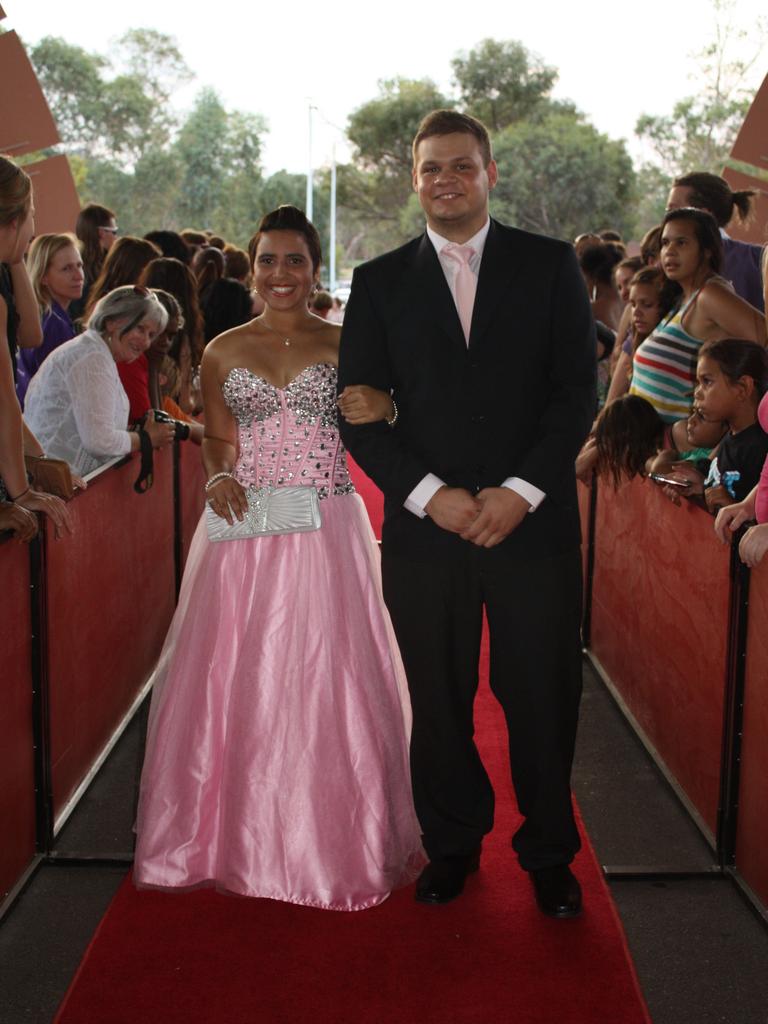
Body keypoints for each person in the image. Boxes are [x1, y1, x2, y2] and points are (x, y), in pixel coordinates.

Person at [338, 110, 596, 918]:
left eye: (460, 166)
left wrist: (518, 493)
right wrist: (430, 496)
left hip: (534, 529)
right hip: (427, 534)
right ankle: (451, 847)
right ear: (413, 179)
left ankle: (550, 855)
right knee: (438, 699)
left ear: (489, 171)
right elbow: (358, 411)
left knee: (543, 698)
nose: (444, 180)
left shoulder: (551, 265)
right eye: (429, 169)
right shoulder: (379, 282)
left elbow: (574, 396)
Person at [134, 205, 422, 910]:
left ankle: (331, 839)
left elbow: (395, 413)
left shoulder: (350, 341)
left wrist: (383, 406)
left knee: (329, 669)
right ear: (252, 265)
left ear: (315, 268)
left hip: (326, 521)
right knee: (234, 671)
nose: (280, 273)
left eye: (294, 260)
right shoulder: (224, 349)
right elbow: (218, 437)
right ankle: (223, 833)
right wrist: (220, 473)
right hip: (248, 525)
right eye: (268, 260)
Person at [630, 208, 766, 424]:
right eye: (665, 243)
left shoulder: (709, 295)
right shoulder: (682, 298)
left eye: (681, 243)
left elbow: (763, 338)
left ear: (707, 250)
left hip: (677, 446)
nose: (670, 252)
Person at [24, 286, 175, 476]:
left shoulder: (95, 351)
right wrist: (146, 438)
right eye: (140, 328)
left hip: (58, 480)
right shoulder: (92, 358)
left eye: (151, 335)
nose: (145, 342)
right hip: (55, 486)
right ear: (112, 322)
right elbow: (99, 441)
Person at [0, 155, 72, 538]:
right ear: (13, 220)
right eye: (31, 214)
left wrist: (14, 258)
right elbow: (2, 395)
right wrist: (21, 490)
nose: (35, 226)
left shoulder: (5, 270)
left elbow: (29, 334)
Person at [667, 172, 764, 311]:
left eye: (673, 210)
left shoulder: (757, 261)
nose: (667, 219)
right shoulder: (666, 261)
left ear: (704, 215)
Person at [16, 233, 84, 405]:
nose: (78, 275)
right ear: (43, 276)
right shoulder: (54, 324)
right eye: (67, 268)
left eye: (79, 265)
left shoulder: (40, 314)